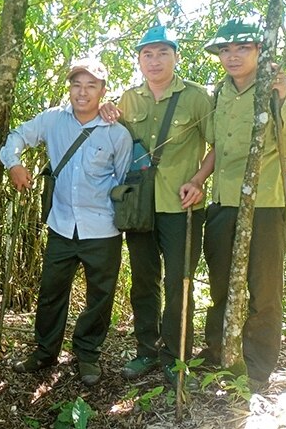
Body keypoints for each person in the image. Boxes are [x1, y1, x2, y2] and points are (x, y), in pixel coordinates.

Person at [0, 58, 132, 386]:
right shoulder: (53, 121)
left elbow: (125, 180)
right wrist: (13, 164)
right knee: (51, 291)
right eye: (77, 84)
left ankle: (87, 354)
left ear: (103, 90)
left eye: (91, 86)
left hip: (103, 228)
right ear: (69, 88)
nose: (82, 92)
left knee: (100, 296)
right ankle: (45, 351)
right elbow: (18, 135)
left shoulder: (117, 133)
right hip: (61, 224)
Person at [109, 25, 213, 386]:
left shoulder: (196, 97)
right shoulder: (128, 99)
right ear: (139, 60)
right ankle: (146, 351)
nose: (154, 61)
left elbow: (216, 145)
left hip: (181, 206)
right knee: (143, 281)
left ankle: (176, 355)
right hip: (140, 207)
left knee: (179, 282)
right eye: (147, 54)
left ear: (175, 56)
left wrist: (198, 181)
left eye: (162, 53)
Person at [200, 18, 286, 388]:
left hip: (267, 204)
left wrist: (282, 99)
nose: (232, 56)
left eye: (242, 48)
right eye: (225, 49)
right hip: (223, 202)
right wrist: (196, 181)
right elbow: (213, 146)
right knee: (222, 283)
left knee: (264, 289)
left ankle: (258, 367)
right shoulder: (218, 93)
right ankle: (218, 351)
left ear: (259, 51)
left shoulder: (277, 89)